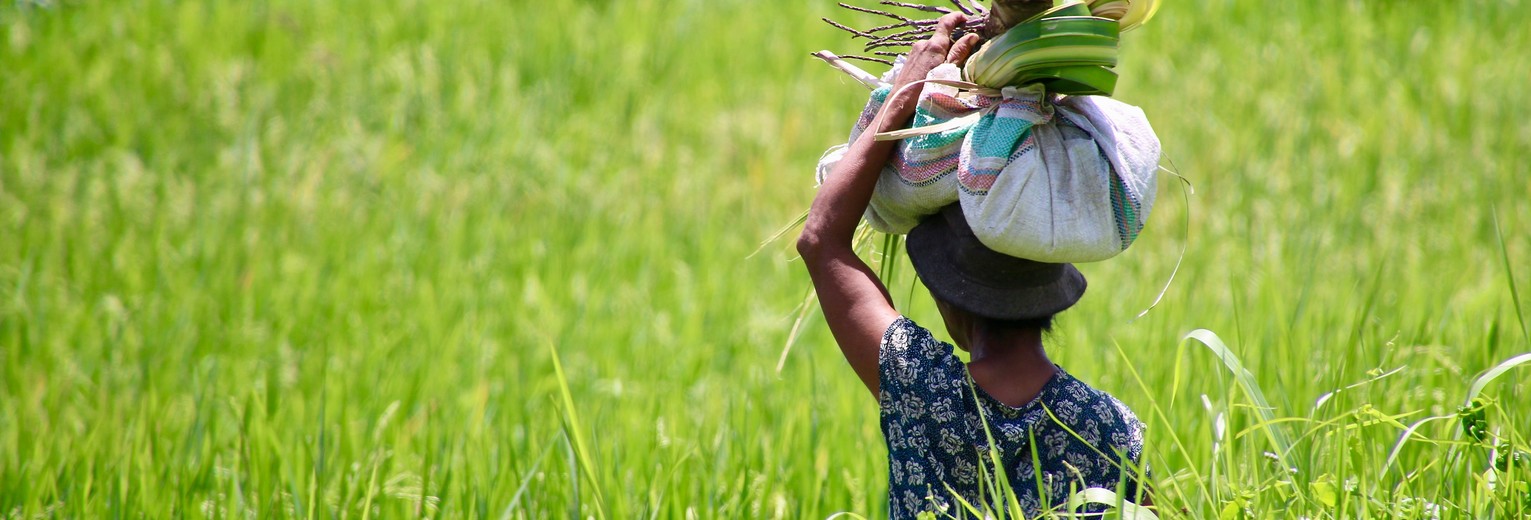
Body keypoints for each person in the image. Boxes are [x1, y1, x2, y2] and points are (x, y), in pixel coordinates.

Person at [796, 13, 1149, 519]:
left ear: (949, 296)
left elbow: (821, 238)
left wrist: (905, 90)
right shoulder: (1114, 430)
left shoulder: (920, 392)